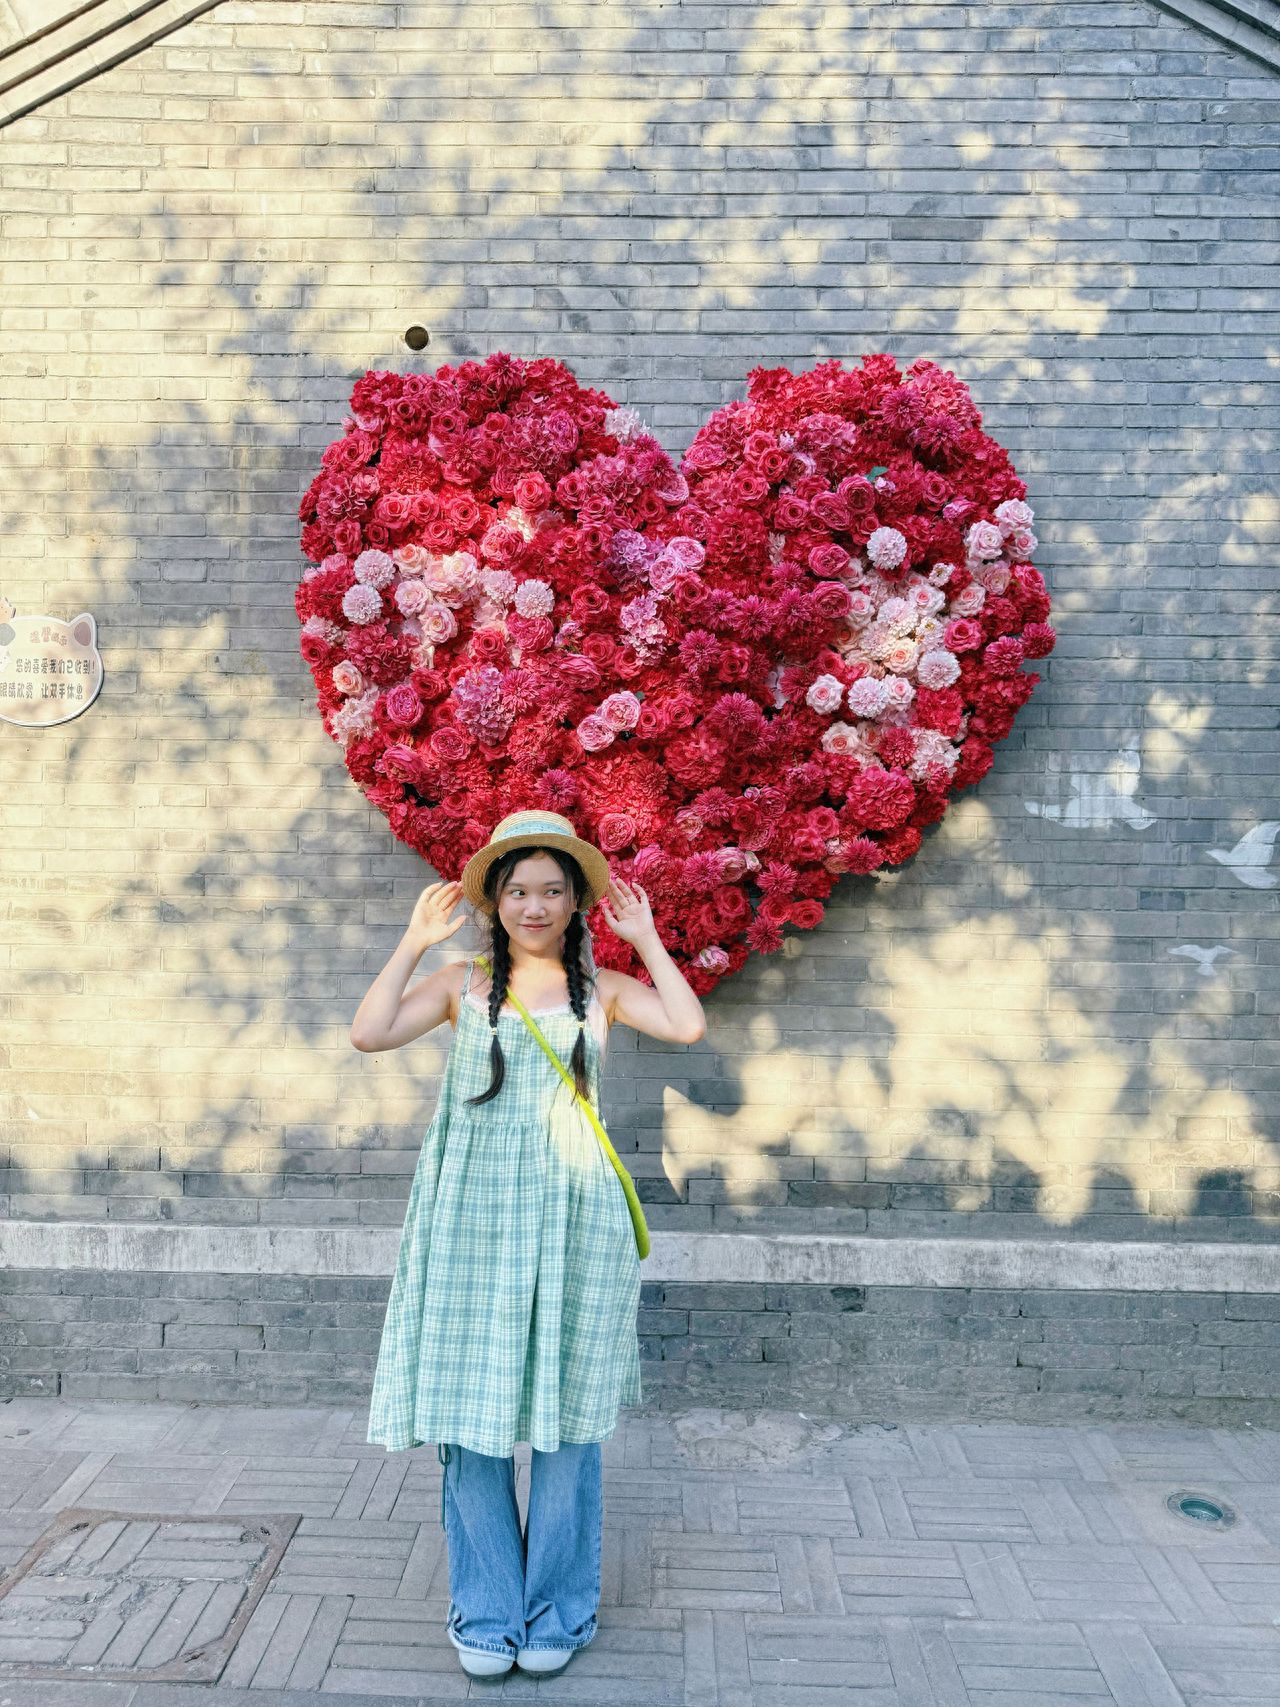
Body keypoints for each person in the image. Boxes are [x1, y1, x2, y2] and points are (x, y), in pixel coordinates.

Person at [350, 810, 706, 1681]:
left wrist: (650, 937)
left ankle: (558, 1608)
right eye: (519, 890)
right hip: (470, 1220)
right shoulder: (459, 981)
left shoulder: (606, 990)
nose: (535, 904)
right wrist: (409, 942)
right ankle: (485, 1608)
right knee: (472, 1422)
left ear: (577, 899)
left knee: (568, 1422)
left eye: (552, 889)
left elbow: (687, 1026)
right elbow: (368, 1031)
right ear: (495, 901)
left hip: (575, 1224)